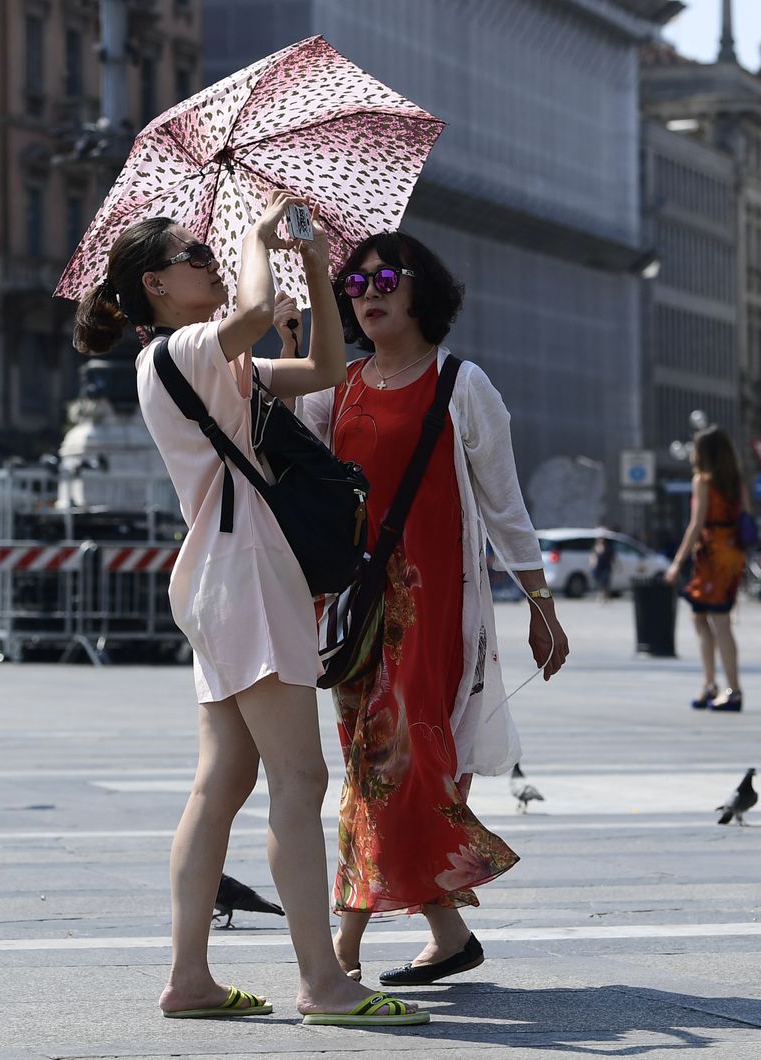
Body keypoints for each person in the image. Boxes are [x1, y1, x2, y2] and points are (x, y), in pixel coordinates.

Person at [73, 200, 422, 1024]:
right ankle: (323, 983)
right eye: (194, 254)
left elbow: (329, 370)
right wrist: (261, 240)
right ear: (156, 283)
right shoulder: (179, 349)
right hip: (245, 572)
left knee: (222, 782)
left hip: (226, 575)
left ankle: (190, 978)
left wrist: (314, 270)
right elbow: (257, 313)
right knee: (298, 780)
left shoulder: (213, 366)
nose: (210, 260)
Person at [299, 231, 569, 987]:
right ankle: (448, 932)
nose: (368, 290)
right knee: (377, 761)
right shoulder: (337, 386)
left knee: (390, 759)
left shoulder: (462, 384)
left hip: (433, 610)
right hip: (354, 614)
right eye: (353, 283)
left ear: (424, 290)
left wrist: (539, 603)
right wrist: (293, 335)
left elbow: (504, 503)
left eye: (386, 275)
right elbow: (298, 474)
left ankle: (343, 949)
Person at [664, 425, 746, 711]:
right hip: (731, 553)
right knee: (701, 617)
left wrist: (677, 562)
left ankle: (732, 689)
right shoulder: (735, 481)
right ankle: (711, 684)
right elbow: (743, 516)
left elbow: (696, 524)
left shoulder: (703, 481)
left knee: (718, 620)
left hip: (712, 555)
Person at [592, 532, 615, 603]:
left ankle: (605, 597)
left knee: (605, 583)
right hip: (598, 567)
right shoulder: (596, 546)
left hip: (606, 567)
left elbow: (612, 557)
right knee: (599, 583)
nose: (601, 540)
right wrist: (593, 563)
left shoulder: (608, 547)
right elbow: (593, 556)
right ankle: (601, 597)